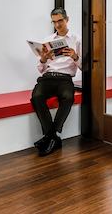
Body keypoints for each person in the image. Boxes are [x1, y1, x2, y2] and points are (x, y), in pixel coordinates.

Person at [31, 8, 82, 156]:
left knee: (68, 97)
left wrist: (75, 57)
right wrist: (43, 59)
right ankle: (53, 137)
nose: (57, 25)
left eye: (60, 21)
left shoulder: (77, 39)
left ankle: (49, 137)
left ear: (67, 19)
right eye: (54, 22)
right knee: (36, 97)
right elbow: (41, 69)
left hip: (65, 78)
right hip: (48, 77)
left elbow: (84, 67)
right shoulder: (48, 40)